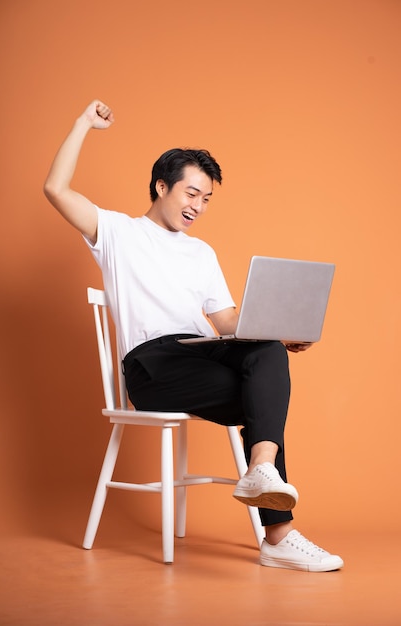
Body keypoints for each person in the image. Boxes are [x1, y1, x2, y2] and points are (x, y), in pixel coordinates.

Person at [44, 100, 343, 573]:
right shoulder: (118, 232)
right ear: (161, 186)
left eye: (206, 199)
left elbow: (225, 323)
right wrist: (82, 122)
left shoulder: (201, 252)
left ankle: (261, 470)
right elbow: (55, 189)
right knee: (262, 399)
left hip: (199, 352)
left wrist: (282, 332)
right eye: (191, 193)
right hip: (151, 366)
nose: (197, 206)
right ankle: (278, 534)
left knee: (266, 354)